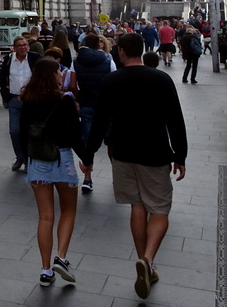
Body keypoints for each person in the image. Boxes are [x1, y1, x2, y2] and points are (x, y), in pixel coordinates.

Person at [81, 33, 188, 300]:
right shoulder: (161, 79)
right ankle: (149, 259)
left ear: (121, 53)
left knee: (137, 206)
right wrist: (181, 155)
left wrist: (89, 155)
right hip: (155, 152)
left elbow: (100, 122)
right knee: (160, 209)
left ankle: (145, 262)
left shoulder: (111, 80)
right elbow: (175, 119)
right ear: (141, 51)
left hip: (124, 153)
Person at [19, 58, 91, 288]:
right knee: (68, 210)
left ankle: (45, 269)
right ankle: (61, 256)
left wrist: (27, 157)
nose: (62, 75)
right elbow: (75, 136)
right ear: (52, 75)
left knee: (45, 217)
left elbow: (22, 134)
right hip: (63, 159)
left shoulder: (27, 101)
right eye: (58, 72)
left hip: (38, 161)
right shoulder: (65, 101)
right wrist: (87, 160)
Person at [71, 33, 115, 193]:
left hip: (87, 104)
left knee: (88, 144)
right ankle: (116, 176)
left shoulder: (76, 62)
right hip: (106, 107)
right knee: (111, 142)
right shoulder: (108, 60)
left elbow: (72, 84)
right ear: (98, 45)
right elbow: (113, 83)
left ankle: (87, 178)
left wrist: (79, 98)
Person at [0, 36, 38, 171]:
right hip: (14, 100)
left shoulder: (34, 58)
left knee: (28, 132)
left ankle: (28, 159)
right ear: (14, 48)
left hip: (30, 101)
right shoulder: (9, 60)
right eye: (19, 45)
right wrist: (6, 96)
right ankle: (19, 156)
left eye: (25, 45)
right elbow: (2, 78)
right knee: (14, 131)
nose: (23, 47)